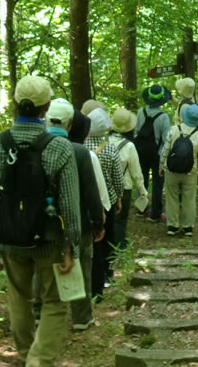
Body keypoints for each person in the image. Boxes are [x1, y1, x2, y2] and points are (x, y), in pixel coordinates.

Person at [0, 75, 81, 367]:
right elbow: (69, 203)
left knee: (19, 299)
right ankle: (39, 362)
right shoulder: (59, 148)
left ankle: (26, 357)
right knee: (54, 303)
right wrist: (71, 244)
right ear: (46, 107)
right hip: (49, 239)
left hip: (10, 238)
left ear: (15, 103)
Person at [44, 100, 105, 331]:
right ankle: (81, 317)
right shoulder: (80, 152)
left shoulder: (38, 147)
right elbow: (91, 192)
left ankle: (40, 313)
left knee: (45, 267)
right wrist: (98, 222)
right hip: (79, 221)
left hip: (44, 221)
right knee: (82, 265)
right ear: (70, 123)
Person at [83, 107, 123, 291]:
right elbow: (117, 178)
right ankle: (106, 274)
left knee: (90, 239)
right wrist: (118, 198)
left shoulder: (80, 148)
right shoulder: (110, 149)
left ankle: (91, 276)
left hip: (87, 201)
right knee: (107, 238)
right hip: (107, 201)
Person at [158, 103, 198, 236]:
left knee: (171, 197)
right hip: (191, 172)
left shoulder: (174, 130)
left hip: (172, 170)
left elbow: (165, 150)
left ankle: (172, 226)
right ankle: (187, 227)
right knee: (189, 199)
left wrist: (161, 166)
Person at [108, 107, 147, 249]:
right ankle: (120, 249)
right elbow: (137, 172)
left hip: (106, 187)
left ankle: (107, 247)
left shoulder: (104, 141)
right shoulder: (129, 146)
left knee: (107, 218)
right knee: (120, 220)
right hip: (124, 187)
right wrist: (143, 191)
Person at [134, 84, 172, 223]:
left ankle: (141, 209)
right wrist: (163, 159)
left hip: (140, 151)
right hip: (156, 153)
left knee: (141, 179)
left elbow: (136, 131)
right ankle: (155, 214)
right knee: (157, 182)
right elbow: (166, 139)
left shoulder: (140, 112)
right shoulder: (163, 117)